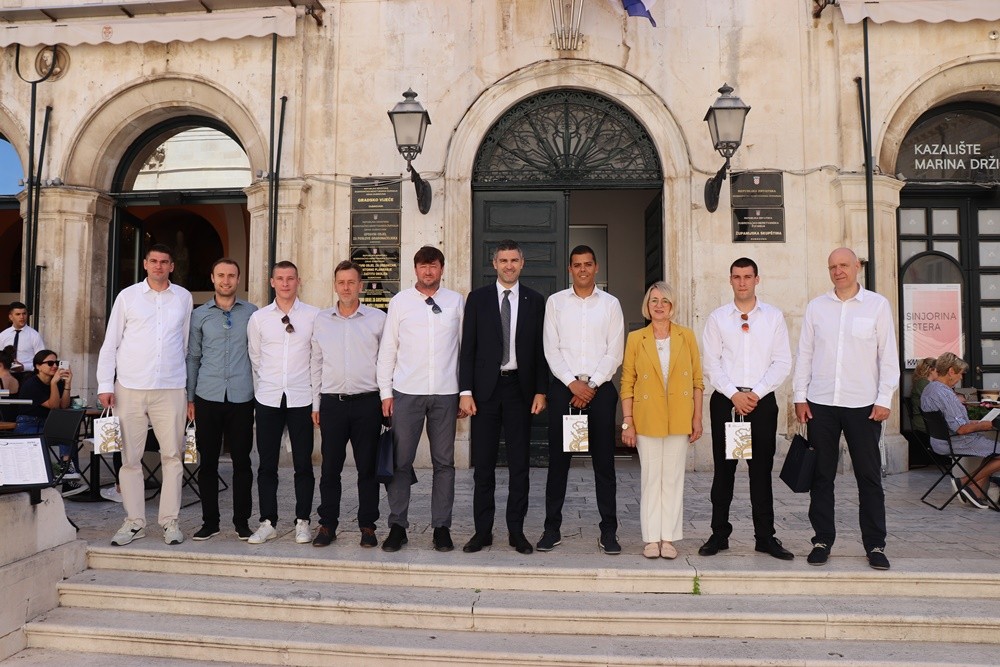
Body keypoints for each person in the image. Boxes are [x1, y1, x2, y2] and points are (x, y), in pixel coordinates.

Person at [793, 247, 899, 570]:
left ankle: (875, 545)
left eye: (843, 265)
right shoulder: (816, 307)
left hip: (863, 405)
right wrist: (800, 396)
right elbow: (805, 354)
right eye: (832, 267)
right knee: (821, 476)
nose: (838, 271)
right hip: (821, 403)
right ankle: (822, 540)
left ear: (857, 267)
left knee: (869, 476)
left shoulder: (877, 306)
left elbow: (888, 356)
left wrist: (884, 398)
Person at [97, 244, 193, 546]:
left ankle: (170, 521)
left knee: (172, 456)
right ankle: (134, 521)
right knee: (130, 458)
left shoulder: (184, 297)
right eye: (154, 261)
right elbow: (111, 342)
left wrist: (186, 387)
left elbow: (185, 343)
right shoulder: (127, 296)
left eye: (164, 262)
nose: (158, 266)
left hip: (171, 387)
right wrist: (105, 384)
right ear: (145, 264)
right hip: (130, 387)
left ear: (172, 266)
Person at [698, 258, 793, 561]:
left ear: (757, 280)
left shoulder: (773, 317)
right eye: (737, 277)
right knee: (724, 471)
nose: (742, 282)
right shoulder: (718, 318)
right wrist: (734, 394)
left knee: (761, 472)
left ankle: (765, 537)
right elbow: (711, 363)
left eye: (747, 277)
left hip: (761, 402)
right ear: (730, 280)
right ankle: (719, 534)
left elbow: (782, 362)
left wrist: (755, 394)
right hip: (726, 402)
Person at [458, 240, 548, 555]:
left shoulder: (535, 301)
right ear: (494, 264)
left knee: (519, 465)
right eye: (503, 260)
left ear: (522, 264)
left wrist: (540, 390)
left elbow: (541, 350)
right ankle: (482, 532)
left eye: (514, 260)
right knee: (483, 465)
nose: (509, 265)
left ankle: (516, 531)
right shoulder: (478, 299)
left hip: (520, 390)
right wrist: (465, 391)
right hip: (485, 392)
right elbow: (467, 347)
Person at [377, 246, 464, 552]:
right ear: (415, 269)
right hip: (406, 391)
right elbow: (388, 348)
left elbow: (464, 348)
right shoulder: (400, 302)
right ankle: (397, 526)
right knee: (401, 461)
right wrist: (385, 392)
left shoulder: (455, 301)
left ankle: (441, 527)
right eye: (423, 266)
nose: (428, 271)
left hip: (446, 391)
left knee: (444, 463)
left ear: (442, 268)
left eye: (433, 266)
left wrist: (464, 392)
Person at [538, 245, 625, 555]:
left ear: (596, 267)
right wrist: (572, 383)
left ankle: (609, 531)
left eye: (588, 264)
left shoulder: (611, 304)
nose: (583, 269)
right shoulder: (556, 302)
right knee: (559, 462)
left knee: (604, 463)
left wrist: (593, 384)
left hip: (601, 389)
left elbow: (615, 350)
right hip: (565, 387)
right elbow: (551, 348)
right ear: (570, 269)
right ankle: (551, 529)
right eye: (577, 265)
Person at [620, 281, 703, 559]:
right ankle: (651, 538)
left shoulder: (686, 336)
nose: (659, 305)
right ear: (647, 305)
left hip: (679, 416)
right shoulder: (636, 338)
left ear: (672, 306)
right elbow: (627, 382)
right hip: (647, 417)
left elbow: (697, 381)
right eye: (654, 300)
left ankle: (668, 538)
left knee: (673, 479)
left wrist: (697, 418)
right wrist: (628, 422)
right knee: (651, 479)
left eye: (664, 301)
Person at [310, 260, 386, 548]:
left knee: (368, 469)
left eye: (351, 282)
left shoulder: (377, 319)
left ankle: (368, 526)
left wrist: (386, 398)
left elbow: (386, 362)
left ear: (360, 286)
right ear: (335, 285)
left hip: (368, 403)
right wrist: (315, 404)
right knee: (330, 468)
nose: (346, 287)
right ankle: (327, 524)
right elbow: (316, 363)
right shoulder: (321, 320)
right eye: (341, 282)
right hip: (332, 404)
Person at [247, 261, 320, 545]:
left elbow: (316, 359)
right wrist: (265, 387)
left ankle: (303, 521)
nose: (286, 283)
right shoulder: (259, 318)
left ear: (298, 281)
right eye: (280, 278)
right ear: (272, 282)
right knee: (267, 465)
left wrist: (316, 402)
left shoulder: (313, 316)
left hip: (301, 398)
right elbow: (256, 358)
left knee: (303, 464)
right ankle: (268, 522)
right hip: (268, 398)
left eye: (290, 278)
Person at [186, 258, 258, 541]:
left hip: (242, 396)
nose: (226, 280)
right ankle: (210, 522)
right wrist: (190, 397)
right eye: (221, 275)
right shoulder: (199, 315)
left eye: (231, 276)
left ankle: (242, 522)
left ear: (238, 279)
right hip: (208, 396)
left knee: (242, 462)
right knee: (208, 463)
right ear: (212, 278)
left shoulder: (252, 313)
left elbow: (259, 354)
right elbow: (193, 357)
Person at [920, 352, 1000, 509]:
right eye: (960, 373)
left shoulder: (930, 389)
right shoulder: (944, 394)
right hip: (955, 441)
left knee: (993, 450)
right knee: (995, 448)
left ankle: (974, 491)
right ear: (951, 371)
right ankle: (964, 481)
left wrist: (976, 422)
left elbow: (953, 422)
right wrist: (985, 425)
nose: (961, 377)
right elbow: (961, 429)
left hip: (939, 440)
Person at [17, 348, 83, 495]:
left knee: (68, 426)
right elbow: (54, 406)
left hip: (46, 423)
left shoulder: (57, 381)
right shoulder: (32, 384)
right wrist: (53, 384)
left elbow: (64, 406)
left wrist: (67, 384)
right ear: (38, 366)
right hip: (29, 424)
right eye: (50, 363)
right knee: (64, 427)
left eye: (57, 362)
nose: (55, 366)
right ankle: (67, 470)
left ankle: (67, 470)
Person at [0, 301, 46, 372]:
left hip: (27, 374)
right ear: (11, 317)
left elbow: (41, 360)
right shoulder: (3, 335)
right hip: (7, 374)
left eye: (24, 314)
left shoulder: (34, 335)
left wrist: (24, 367)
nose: (22, 317)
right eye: (18, 314)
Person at [908, 357, 937, 433]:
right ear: (931, 370)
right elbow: (936, 401)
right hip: (924, 421)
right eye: (938, 370)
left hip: (928, 419)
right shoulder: (922, 383)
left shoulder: (928, 383)